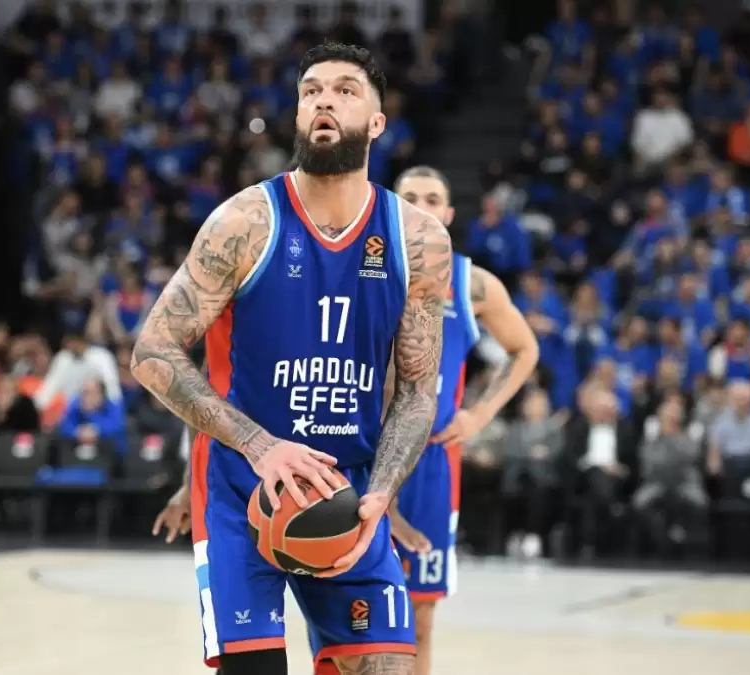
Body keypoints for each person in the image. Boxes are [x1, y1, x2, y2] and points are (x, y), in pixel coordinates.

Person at [135, 43, 452, 675]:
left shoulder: (418, 240)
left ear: (378, 122)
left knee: (387, 664)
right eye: (311, 91)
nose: (324, 100)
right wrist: (260, 446)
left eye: (344, 90)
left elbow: (417, 393)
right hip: (241, 488)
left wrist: (382, 493)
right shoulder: (244, 222)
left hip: (348, 491)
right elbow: (153, 351)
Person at [387, 166, 539, 675]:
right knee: (352, 616)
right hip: (363, 454)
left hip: (431, 461)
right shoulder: (362, 269)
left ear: (449, 214)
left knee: (419, 620)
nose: (422, 207)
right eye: (410, 197)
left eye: (433, 199)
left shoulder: (472, 284)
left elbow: (524, 349)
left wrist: (479, 414)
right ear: (392, 208)